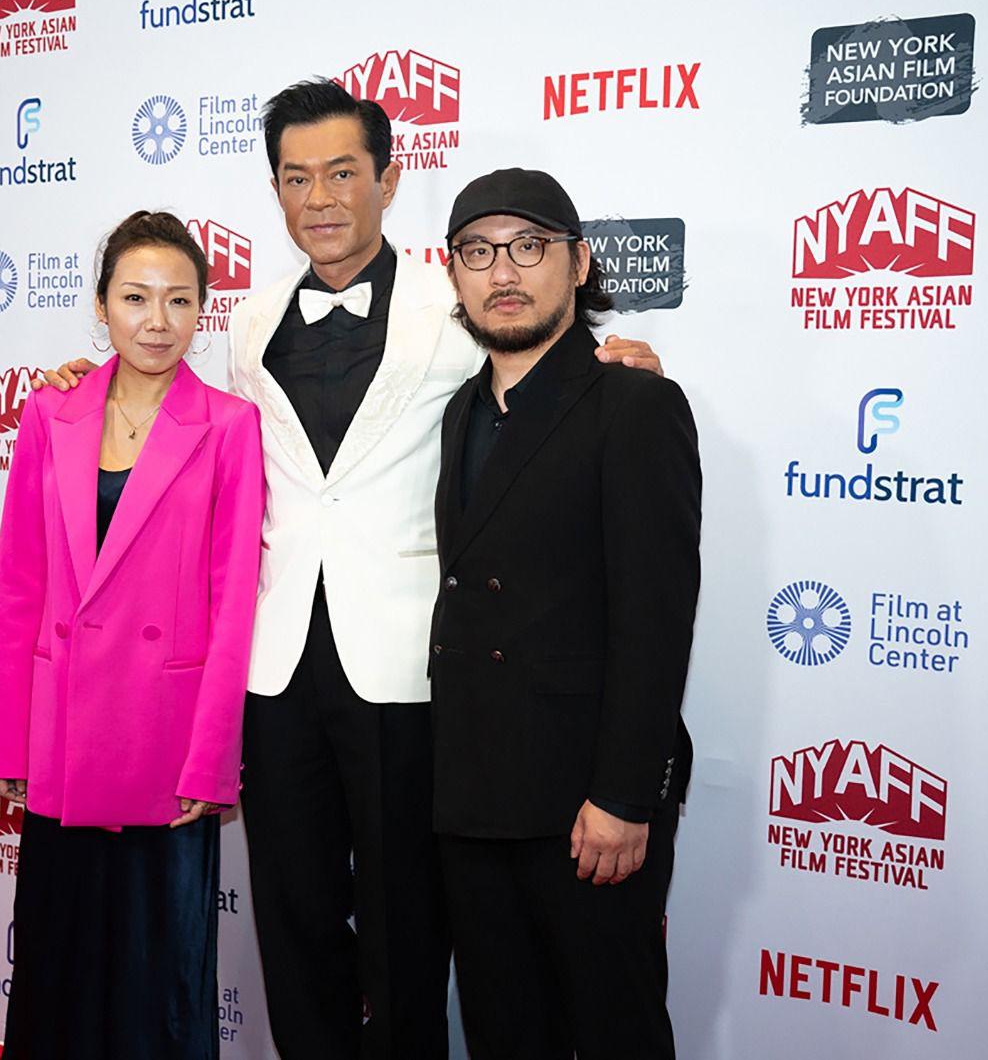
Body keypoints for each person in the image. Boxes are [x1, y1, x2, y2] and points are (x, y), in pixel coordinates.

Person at [36, 80, 664, 1060]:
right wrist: (84, 387)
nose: (319, 198)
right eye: (296, 179)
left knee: (409, 926)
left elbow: (543, 362)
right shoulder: (246, 323)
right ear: (276, 193)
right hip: (275, 664)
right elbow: (174, 415)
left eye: (340, 173)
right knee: (293, 921)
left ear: (387, 180)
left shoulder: (455, 299)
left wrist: (619, 362)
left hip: (410, 667)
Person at [428, 168, 700, 1060]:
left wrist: (624, 795)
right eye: (478, 252)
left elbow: (656, 619)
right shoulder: (460, 412)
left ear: (579, 264)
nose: (503, 271)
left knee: (616, 1031)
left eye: (529, 246)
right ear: (452, 271)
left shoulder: (635, 405)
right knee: (503, 1034)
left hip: (586, 807)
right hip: (474, 797)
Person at [0, 210, 266, 1059]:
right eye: (136, 298)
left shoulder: (228, 425)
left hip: (163, 742)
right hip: (64, 734)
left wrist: (211, 760)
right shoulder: (51, 413)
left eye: (179, 300)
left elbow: (233, 602)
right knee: (59, 963)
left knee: (158, 981)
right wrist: (9, 742)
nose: (157, 320)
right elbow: (19, 587)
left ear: (203, 311)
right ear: (102, 305)